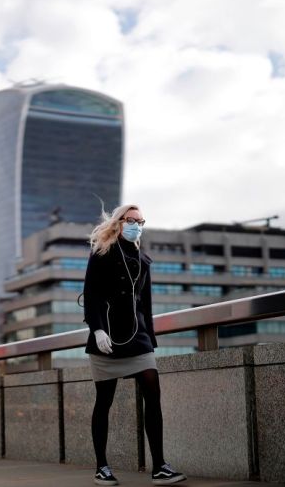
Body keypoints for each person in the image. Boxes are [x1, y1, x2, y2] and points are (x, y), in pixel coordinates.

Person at [83, 204, 186, 486]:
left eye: (141, 222)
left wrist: (150, 339)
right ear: (119, 222)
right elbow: (91, 295)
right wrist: (97, 330)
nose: (136, 226)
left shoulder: (143, 260)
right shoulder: (101, 253)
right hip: (107, 336)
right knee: (104, 400)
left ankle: (160, 466)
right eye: (131, 220)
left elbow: (146, 305)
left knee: (153, 393)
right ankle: (102, 467)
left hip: (138, 337)